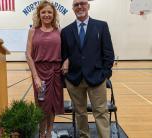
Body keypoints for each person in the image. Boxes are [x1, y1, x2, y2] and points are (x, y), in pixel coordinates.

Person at [61, 0, 115, 137]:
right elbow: (63, 55)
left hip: (97, 77)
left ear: (88, 6)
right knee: (80, 113)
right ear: (73, 8)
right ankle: (84, 136)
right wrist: (66, 70)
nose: (80, 6)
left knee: (101, 112)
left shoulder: (101, 26)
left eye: (83, 3)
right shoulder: (66, 31)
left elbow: (108, 53)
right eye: (76, 4)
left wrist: (105, 74)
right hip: (74, 79)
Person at [25, 1, 64, 138]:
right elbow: (28, 55)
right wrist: (35, 77)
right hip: (40, 72)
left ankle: (49, 131)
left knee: (53, 104)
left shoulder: (59, 31)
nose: (46, 15)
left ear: (53, 15)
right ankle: (41, 132)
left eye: (49, 12)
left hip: (56, 72)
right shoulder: (32, 31)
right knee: (41, 105)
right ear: (39, 14)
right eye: (44, 12)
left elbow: (66, 52)